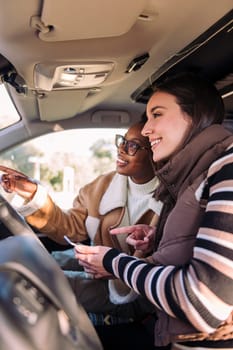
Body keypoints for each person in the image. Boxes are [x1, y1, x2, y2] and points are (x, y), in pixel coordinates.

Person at [74, 72, 233, 350]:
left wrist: (114, 263)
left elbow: (201, 302)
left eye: (156, 115)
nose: (146, 130)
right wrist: (158, 239)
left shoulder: (228, 166)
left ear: (194, 116)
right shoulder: (196, 175)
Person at [0, 121, 162, 324]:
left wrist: (114, 266)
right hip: (100, 270)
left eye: (133, 145)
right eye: (122, 141)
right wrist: (33, 195)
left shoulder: (169, 200)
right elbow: (71, 228)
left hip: (132, 290)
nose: (120, 149)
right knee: (41, 262)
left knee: (39, 282)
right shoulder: (103, 186)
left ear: (154, 151)